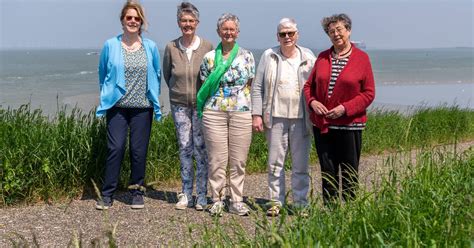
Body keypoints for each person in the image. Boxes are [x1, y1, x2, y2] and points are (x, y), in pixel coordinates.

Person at [95, 1, 161, 210]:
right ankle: (107, 194)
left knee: (138, 150)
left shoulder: (150, 46)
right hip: (117, 107)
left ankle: (136, 192)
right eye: (129, 17)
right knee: (115, 147)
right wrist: (107, 95)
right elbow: (103, 73)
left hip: (143, 107)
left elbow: (157, 74)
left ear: (141, 21)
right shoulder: (110, 45)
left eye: (136, 18)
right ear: (122, 20)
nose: (133, 21)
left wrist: (154, 98)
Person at [303, 13, 375, 204]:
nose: (335, 34)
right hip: (323, 125)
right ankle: (330, 214)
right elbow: (308, 87)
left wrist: (345, 108)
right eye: (331, 31)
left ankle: (350, 212)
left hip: (349, 125)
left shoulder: (362, 58)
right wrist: (313, 103)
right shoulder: (323, 57)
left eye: (339, 30)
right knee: (327, 171)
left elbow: (369, 93)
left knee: (349, 170)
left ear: (348, 31)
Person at [251, 18, 315, 216]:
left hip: (301, 119)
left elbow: (316, 86)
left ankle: (301, 204)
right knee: (275, 163)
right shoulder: (268, 56)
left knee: (300, 164)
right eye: (282, 34)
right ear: (277, 36)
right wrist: (257, 114)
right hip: (275, 117)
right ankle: (275, 202)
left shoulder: (308, 56)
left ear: (297, 34)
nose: (287, 37)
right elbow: (257, 87)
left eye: (290, 33)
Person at [198, 13, 255, 216]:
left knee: (238, 159)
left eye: (232, 29)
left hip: (241, 112)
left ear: (237, 32)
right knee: (217, 159)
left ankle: (237, 200)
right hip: (214, 112)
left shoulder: (247, 56)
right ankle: (217, 199)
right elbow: (205, 85)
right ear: (218, 32)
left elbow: (250, 85)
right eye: (225, 29)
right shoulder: (209, 58)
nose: (228, 32)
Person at [162, 2, 213, 211]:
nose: (187, 24)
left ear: (197, 23)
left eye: (191, 21)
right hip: (179, 105)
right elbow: (167, 74)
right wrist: (178, 91)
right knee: (185, 147)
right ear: (178, 23)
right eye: (184, 20)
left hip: (201, 105)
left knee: (201, 149)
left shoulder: (207, 47)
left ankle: (201, 194)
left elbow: (211, 76)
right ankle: (186, 193)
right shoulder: (171, 47)